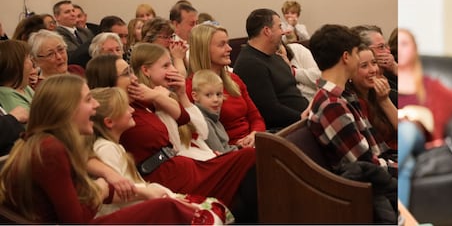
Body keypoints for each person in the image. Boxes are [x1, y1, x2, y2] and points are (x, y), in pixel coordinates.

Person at [0, 74, 207, 224]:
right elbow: (76, 220)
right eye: (88, 99)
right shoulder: (49, 149)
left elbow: (79, 194)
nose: (96, 105)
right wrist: (102, 187)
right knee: (166, 209)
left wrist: (139, 192)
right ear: (67, 108)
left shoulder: (46, 143)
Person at [121, 43, 258, 222]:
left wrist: (180, 94)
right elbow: (173, 143)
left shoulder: (163, 94)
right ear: (146, 71)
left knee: (251, 160)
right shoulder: (144, 102)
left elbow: (201, 130)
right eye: (165, 66)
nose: (172, 70)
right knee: (247, 161)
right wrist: (160, 98)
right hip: (180, 167)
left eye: (171, 63)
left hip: (193, 162)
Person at [89, 86, 233, 222]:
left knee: (215, 206)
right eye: (126, 107)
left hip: (156, 198)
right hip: (140, 213)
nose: (132, 110)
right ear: (109, 122)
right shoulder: (106, 149)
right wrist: (168, 198)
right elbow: (122, 194)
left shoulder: (114, 146)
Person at [307, 24, 398, 224]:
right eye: (358, 54)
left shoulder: (342, 97)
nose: (360, 60)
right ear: (346, 57)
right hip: (365, 190)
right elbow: (365, 163)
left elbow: (376, 151)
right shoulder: (332, 105)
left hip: (376, 176)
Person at [396, 28, 452, 208]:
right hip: (393, 138)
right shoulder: (386, 81)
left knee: (407, 129)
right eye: (396, 45)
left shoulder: (428, 84)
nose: (399, 49)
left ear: (414, 49)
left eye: (405, 44)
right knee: (407, 165)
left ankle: (383, 176)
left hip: (416, 138)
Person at [187, 23, 265, 148]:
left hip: (254, 141)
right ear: (204, 49)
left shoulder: (233, 79)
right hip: (230, 150)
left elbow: (256, 117)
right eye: (222, 45)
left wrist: (254, 135)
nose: (229, 48)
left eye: (227, 43)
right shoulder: (193, 88)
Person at [233, 8, 308, 130]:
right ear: (267, 31)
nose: (283, 32)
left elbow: (293, 93)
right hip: (286, 130)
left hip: (301, 122)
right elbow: (270, 111)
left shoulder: (275, 56)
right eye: (279, 27)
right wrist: (304, 118)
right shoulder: (250, 64)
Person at [347, 45, 398, 151]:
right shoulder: (355, 103)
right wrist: (384, 101)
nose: (373, 70)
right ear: (350, 73)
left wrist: (385, 100)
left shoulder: (378, 93)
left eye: (374, 63)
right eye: (364, 66)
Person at [189, 69, 239, 154]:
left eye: (219, 94)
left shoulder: (213, 116)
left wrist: (238, 146)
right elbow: (220, 153)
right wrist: (238, 150)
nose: (216, 100)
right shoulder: (204, 121)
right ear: (195, 96)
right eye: (208, 95)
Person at [0, 39, 35, 113]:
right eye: (28, 58)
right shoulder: (7, 96)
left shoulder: (24, 87)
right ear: (16, 66)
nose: (32, 62)